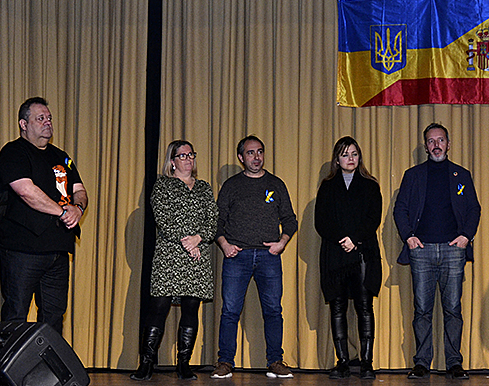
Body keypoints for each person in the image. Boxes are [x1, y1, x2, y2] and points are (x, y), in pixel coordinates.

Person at [0, 97, 88, 335]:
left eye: (49, 118)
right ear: (23, 124)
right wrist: (62, 211)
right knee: (16, 313)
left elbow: (79, 190)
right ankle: (9, 371)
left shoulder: (61, 156)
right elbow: (25, 191)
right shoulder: (13, 152)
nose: (47, 123)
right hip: (23, 248)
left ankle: (46, 372)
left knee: (54, 317)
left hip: (57, 249)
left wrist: (78, 209)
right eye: (40, 118)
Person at [393, 122, 481, 380]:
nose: (436, 145)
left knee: (453, 309)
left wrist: (466, 236)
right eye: (431, 141)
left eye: (440, 140)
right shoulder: (413, 175)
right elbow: (400, 209)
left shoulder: (461, 175)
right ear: (425, 146)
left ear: (448, 144)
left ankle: (454, 363)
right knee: (422, 310)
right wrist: (408, 237)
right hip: (421, 250)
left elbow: (474, 209)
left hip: (454, 251)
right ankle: (421, 363)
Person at [211, 135, 298, 379]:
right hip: (236, 257)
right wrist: (224, 244)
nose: (256, 157)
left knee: (273, 310)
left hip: (268, 258)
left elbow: (290, 219)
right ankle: (225, 362)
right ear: (241, 158)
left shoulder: (276, 184)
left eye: (259, 152)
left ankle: (275, 361)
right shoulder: (231, 185)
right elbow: (217, 221)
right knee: (230, 311)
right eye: (250, 153)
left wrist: (282, 243)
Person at [131, 140, 218, 381]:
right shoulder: (162, 186)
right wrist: (186, 241)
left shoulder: (204, 188)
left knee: (191, 308)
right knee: (158, 308)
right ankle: (146, 364)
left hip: (197, 256)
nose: (188, 159)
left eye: (191, 154)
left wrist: (198, 239)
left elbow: (213, 221)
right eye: (182, 156)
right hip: (170, 255)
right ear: (172, 161)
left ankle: (184, 364)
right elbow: (163, 218)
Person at [315, 137, 383, 380]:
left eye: (354, 154)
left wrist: (354, 239)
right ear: (337, 159)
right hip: (335, 255)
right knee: (338, 307)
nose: (351, 159)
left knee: (364, 307)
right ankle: (342, 361)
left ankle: (366, 363)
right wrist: (341, 240)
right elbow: (320, 222)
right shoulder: (327, 186)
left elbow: (373, 218)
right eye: (345, 155)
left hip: (363, 253)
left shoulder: (370, 185)